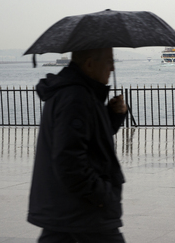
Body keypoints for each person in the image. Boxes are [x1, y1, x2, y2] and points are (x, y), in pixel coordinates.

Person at [27, 47, 128, 243]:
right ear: (90, 64)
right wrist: (103, 195)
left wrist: (113, 115)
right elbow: (69, 160)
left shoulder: (79, 93)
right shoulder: (75, 97)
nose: (113, 68)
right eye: (109, 61)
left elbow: (89, 139)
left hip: (68, 212)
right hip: (82, 213)